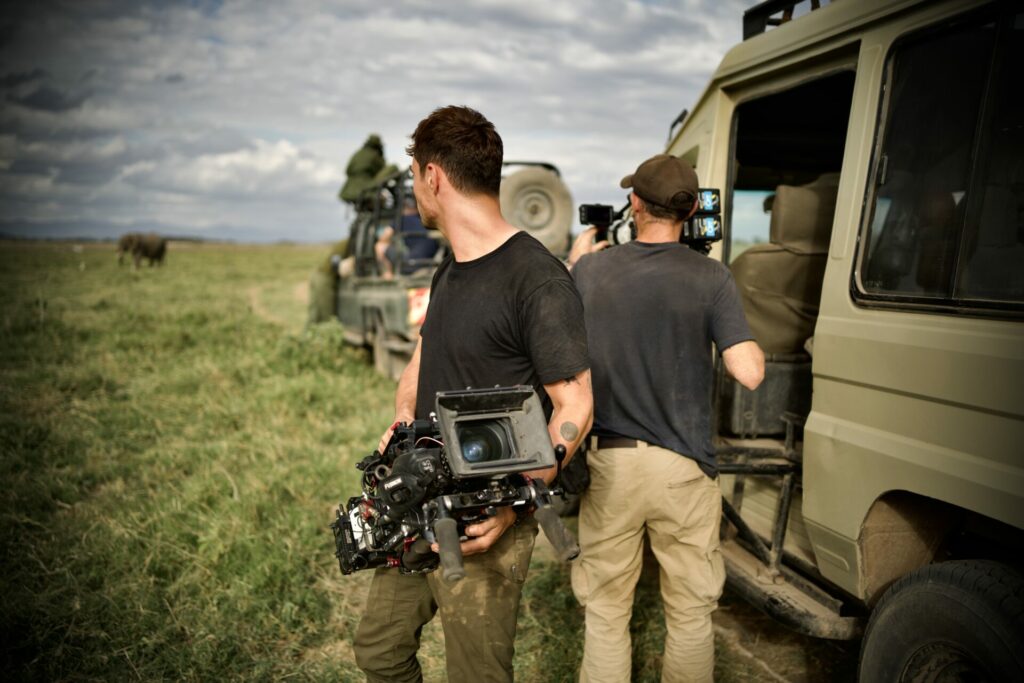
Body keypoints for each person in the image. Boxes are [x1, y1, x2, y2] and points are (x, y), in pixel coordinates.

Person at [352, 105, 594, 683]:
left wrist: (517, 504)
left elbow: (576, 406)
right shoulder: (450, 269)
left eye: (414, 178)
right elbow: (421, 353)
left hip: (485, 520)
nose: (415, 192)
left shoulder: (537, 279)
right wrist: (404, 416)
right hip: (420, 502)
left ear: (433, 176)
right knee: (379, 651)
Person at [567, 154, 765, 683]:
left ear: (634, 204)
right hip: (684, 470)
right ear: (692, 210)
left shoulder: (590, 271)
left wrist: (580, 255)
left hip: (611, 465)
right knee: (691, 614)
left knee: (607, 612)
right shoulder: (713, 276)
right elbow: (748, 372)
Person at [373, 195, 440, 279]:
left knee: (380, 246)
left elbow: (384, 237)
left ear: (404, 208)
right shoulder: (426, 221)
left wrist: (388, 241)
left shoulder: (402, 219)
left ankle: (388, 275)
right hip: (431, 265)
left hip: (410, 266)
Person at [339, 134, 386, 205]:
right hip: (367, 189)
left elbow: (348, 170)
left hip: (349, 191)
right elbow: (383, 169)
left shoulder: (357, 153)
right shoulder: (375, 155)